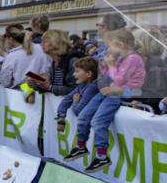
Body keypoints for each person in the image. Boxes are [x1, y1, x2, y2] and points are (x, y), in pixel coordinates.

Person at [64, 29, 146, 172]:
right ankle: (81, 146)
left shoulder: (133, 58)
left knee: (97, 122)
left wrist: (111, 66)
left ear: (122, 45)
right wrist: (103, 66)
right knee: (83, 116)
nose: (108, 49)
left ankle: (102, 156)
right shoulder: (120, 58)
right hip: (109, 91)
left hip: (120, 93)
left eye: (111, 46)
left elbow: (120, 80)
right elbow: (107, 78)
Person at [54, 57, 100, 134]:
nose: (73, 74)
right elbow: (67, 99)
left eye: (77, 71)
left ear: (88, 74)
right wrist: (61, 117)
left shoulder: (92, 88)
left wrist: (75, 102)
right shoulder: (82, 86)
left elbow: (78, 111)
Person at [0, 24, 50, 89]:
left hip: (21, 93)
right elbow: (49, 69)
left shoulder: (12, 56)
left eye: (6, 38)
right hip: (43, 92)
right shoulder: (41, 48)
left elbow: (4, 81)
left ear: (10, 39)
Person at [31, 29, 77, 96]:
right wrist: (36, 85)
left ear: (55, 42)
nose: (41, 44)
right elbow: (53, 89)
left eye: (45, 41)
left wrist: (49, 87)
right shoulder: (55, 62)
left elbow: (76, 90)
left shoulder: (72, 61)